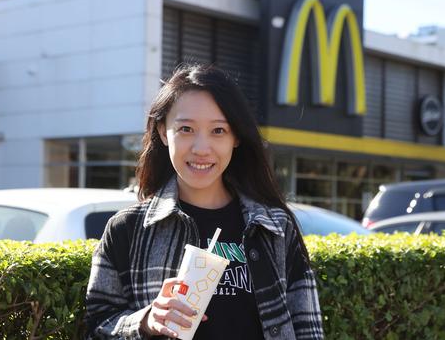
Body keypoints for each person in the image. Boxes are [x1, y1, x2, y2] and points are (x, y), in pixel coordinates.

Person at [85, 64, 323, 339]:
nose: (201, 148)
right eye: (185, 128)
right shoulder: (128, 229)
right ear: (163, 132)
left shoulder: (275, 228)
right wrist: (146, 321)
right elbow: (97, 326)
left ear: (236, 137)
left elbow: (308, 329)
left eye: (218, 131)